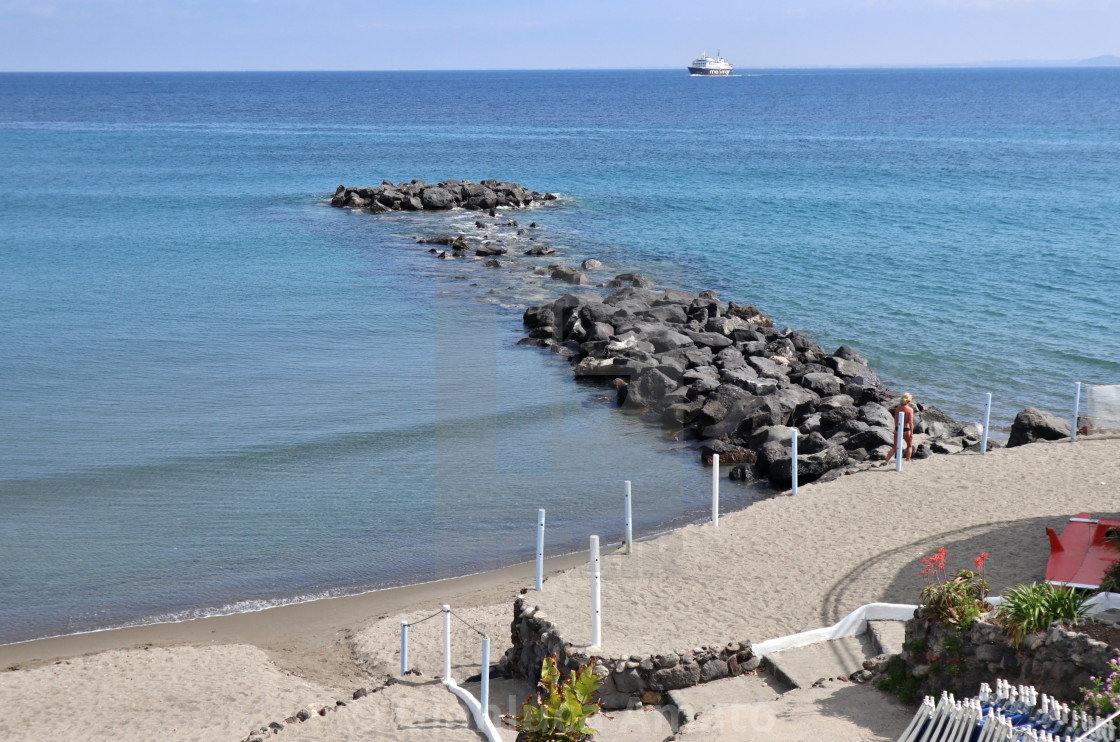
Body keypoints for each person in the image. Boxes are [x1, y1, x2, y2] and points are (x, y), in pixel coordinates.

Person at [884, 392, 915, 463]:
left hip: (897, 429)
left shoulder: (898, 409)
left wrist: (895, 429)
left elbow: (895, 420)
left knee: (895, 447)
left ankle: (886, 461)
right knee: (909, 446)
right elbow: (911, 422)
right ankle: (907, 459)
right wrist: (911, 433)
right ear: (909, 401)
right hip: (906, 430)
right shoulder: (910, 410)